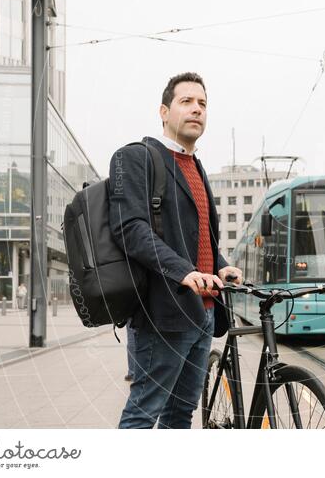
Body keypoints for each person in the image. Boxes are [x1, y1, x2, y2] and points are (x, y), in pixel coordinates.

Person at [112, 72, 243, 429]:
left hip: (202, 313)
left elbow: (201, 239)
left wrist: (221, 266)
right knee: (144, 412)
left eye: (202, 104)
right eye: (186, 102)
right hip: (162, 313)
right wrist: (183, 272)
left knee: (179, 416)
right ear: (164, 111)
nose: (196, 109)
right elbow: (130, 229)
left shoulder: (196, 166)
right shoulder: (135, 158)